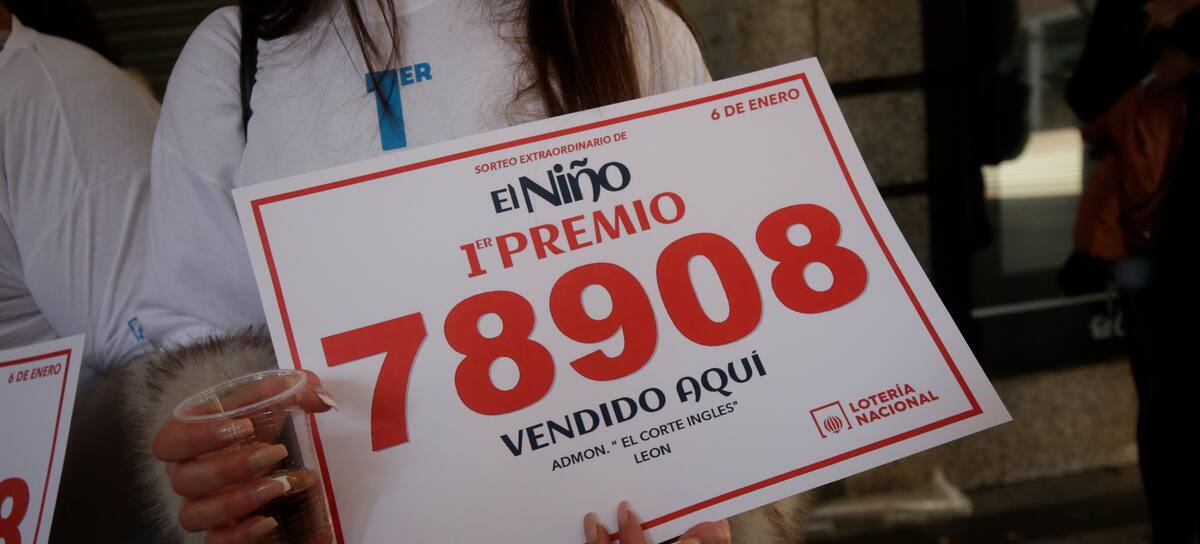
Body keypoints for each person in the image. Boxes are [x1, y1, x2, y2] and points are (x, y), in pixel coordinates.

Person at [127, 1, 808, 542]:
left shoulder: (628, 24)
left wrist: (712, 507)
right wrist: (242, 478)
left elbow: (717, 304)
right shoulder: (237, 51)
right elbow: (204, 338)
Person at [1068, 0, 1200, 541]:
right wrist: (1151, 41)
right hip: (1148, 229)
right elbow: (1086, 95)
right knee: (1160, 393)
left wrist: (1191, 44)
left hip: (1159, 230)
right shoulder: (1131, 8)